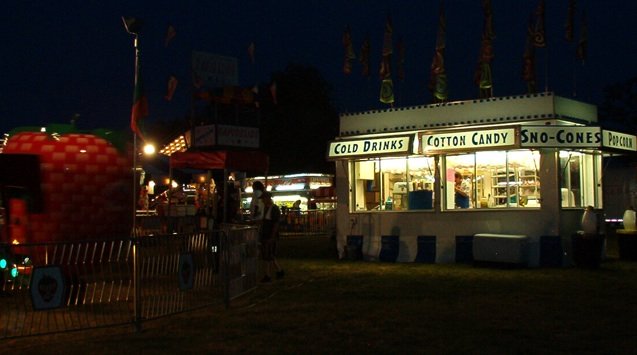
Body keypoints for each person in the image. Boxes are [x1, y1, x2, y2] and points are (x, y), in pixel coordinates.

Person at [260, 191, 284, 282]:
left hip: (269, 235)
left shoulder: (273, 209)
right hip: (267, 234)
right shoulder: (268, 208)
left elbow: (276, 224)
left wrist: (272, 236)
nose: (262, 200)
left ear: (267, 198)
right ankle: (278, 271)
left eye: (263, 199)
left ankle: (268, 274)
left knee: (268, 255)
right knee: (269, 254)